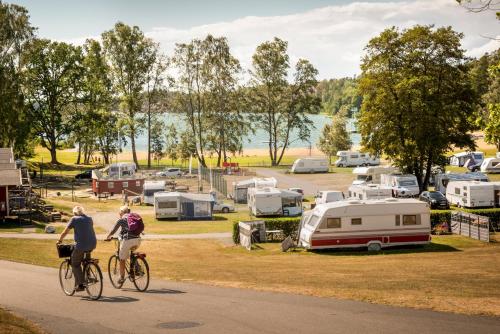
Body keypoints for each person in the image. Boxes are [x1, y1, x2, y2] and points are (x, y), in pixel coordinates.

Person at [57, 206, 97, 291]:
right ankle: (88, 275)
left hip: (81, 245)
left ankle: (81, 284)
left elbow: (65, 232)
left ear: (74, 213)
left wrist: (59, 240)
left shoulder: (74, 219)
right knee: (86, 259)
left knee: (75, 264)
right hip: (92, 244)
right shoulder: (89, 218)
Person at [105, 205, 141, 284]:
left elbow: (114, 230)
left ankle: (121, 277)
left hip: (128, 241)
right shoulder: (134, 217)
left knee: (122, 259)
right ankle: (138, 268)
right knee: (132, 254)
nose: (119, 214)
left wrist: (108, 236)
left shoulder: (121, 220)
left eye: (119, 212)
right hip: (138, 240)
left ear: (122, 212)